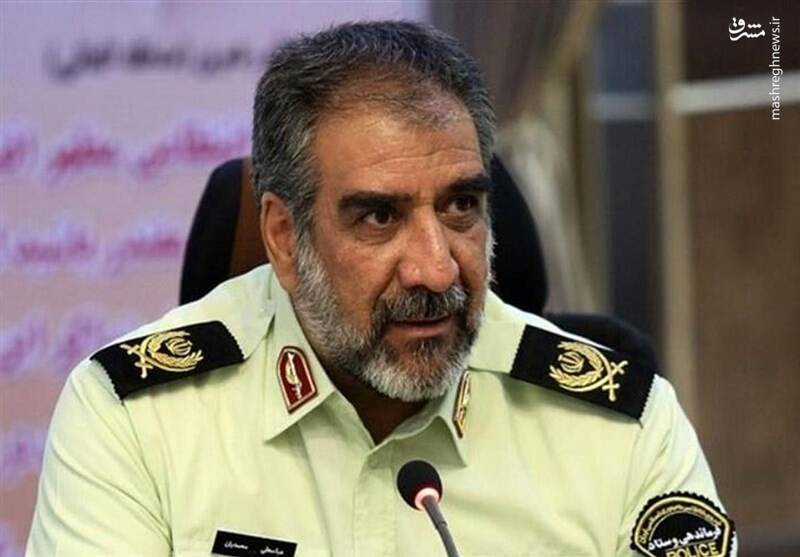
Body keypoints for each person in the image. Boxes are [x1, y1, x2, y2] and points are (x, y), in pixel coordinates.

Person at [27, 21, 735, 557]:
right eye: (379, 216)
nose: (436, 269)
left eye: (460, 207)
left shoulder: (620, 427)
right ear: (283, 236)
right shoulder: (134, 423)